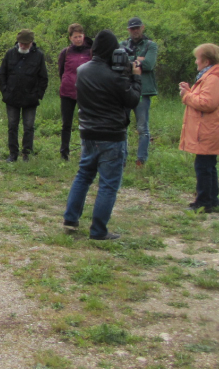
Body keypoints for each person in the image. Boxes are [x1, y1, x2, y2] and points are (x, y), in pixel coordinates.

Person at [63, 30, 142, 241]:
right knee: (108, 184)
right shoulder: (115, 76)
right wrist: (136, 78)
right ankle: (98, 231)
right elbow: (132, 100)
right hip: (112, 135)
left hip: (88, 131)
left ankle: (71, 219)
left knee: (84, 175)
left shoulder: (82, 70)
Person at [179, 44, 219, 213]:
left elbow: (207, 103)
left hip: (209, 129)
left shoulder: (213, 78)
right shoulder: (211, 76)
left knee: (203, 166)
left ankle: (204, 202)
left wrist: (186, 96)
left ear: (206, 60)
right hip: (210, 127)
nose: (196, 62)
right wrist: (190, 91)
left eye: (198, 58)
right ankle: (211, 199)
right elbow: (205, 99)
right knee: (208, 165)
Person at [0, 29, 48, 162]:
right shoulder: (10, 54)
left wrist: (37, 94)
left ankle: (26, 153)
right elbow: (1, 74)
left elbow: (43, 78)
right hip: (12, 97)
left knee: (29, 127)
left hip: (30, 98)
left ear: (31, 43)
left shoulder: (39, 56)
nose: (23, 46)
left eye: (25, 44)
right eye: (21, 43)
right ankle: (13, 153)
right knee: (12, 126)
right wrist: (5, 91)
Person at [121, 17, 158, 167]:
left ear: (142, 28)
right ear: (128, 30)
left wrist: (129, 61)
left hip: (143, 90)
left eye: (137, 28)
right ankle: (122, 158)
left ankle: (141, 159)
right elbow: (117, 62)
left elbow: (148, 64)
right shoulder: (122, 44)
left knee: (142, 127)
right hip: (125, 88)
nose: (135, 31)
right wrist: (137, 60)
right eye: (132, 28)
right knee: (122, 125)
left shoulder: (151, 45)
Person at [57, 23, 93, 161]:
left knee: (86, 123)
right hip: (67, 92)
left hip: (85, 93)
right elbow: (61, 71)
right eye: (75, 37)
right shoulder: (65, 52)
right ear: (70, 38)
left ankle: (87, 151)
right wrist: (66, 81)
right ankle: (64, 152)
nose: (78, 39)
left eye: (80, 36)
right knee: (66, 123)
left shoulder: (90, 52)